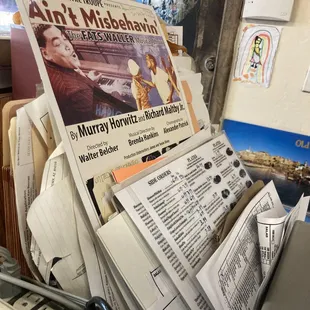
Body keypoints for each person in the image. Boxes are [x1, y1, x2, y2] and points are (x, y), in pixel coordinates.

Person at [34, 24, 135, 126]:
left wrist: (88, 79)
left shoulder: (51, 68)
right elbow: (113, 116)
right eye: (57, 43)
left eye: (65, 38)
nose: (68, 46)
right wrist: (116, 90)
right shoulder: (77, 91)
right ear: (45, 53)